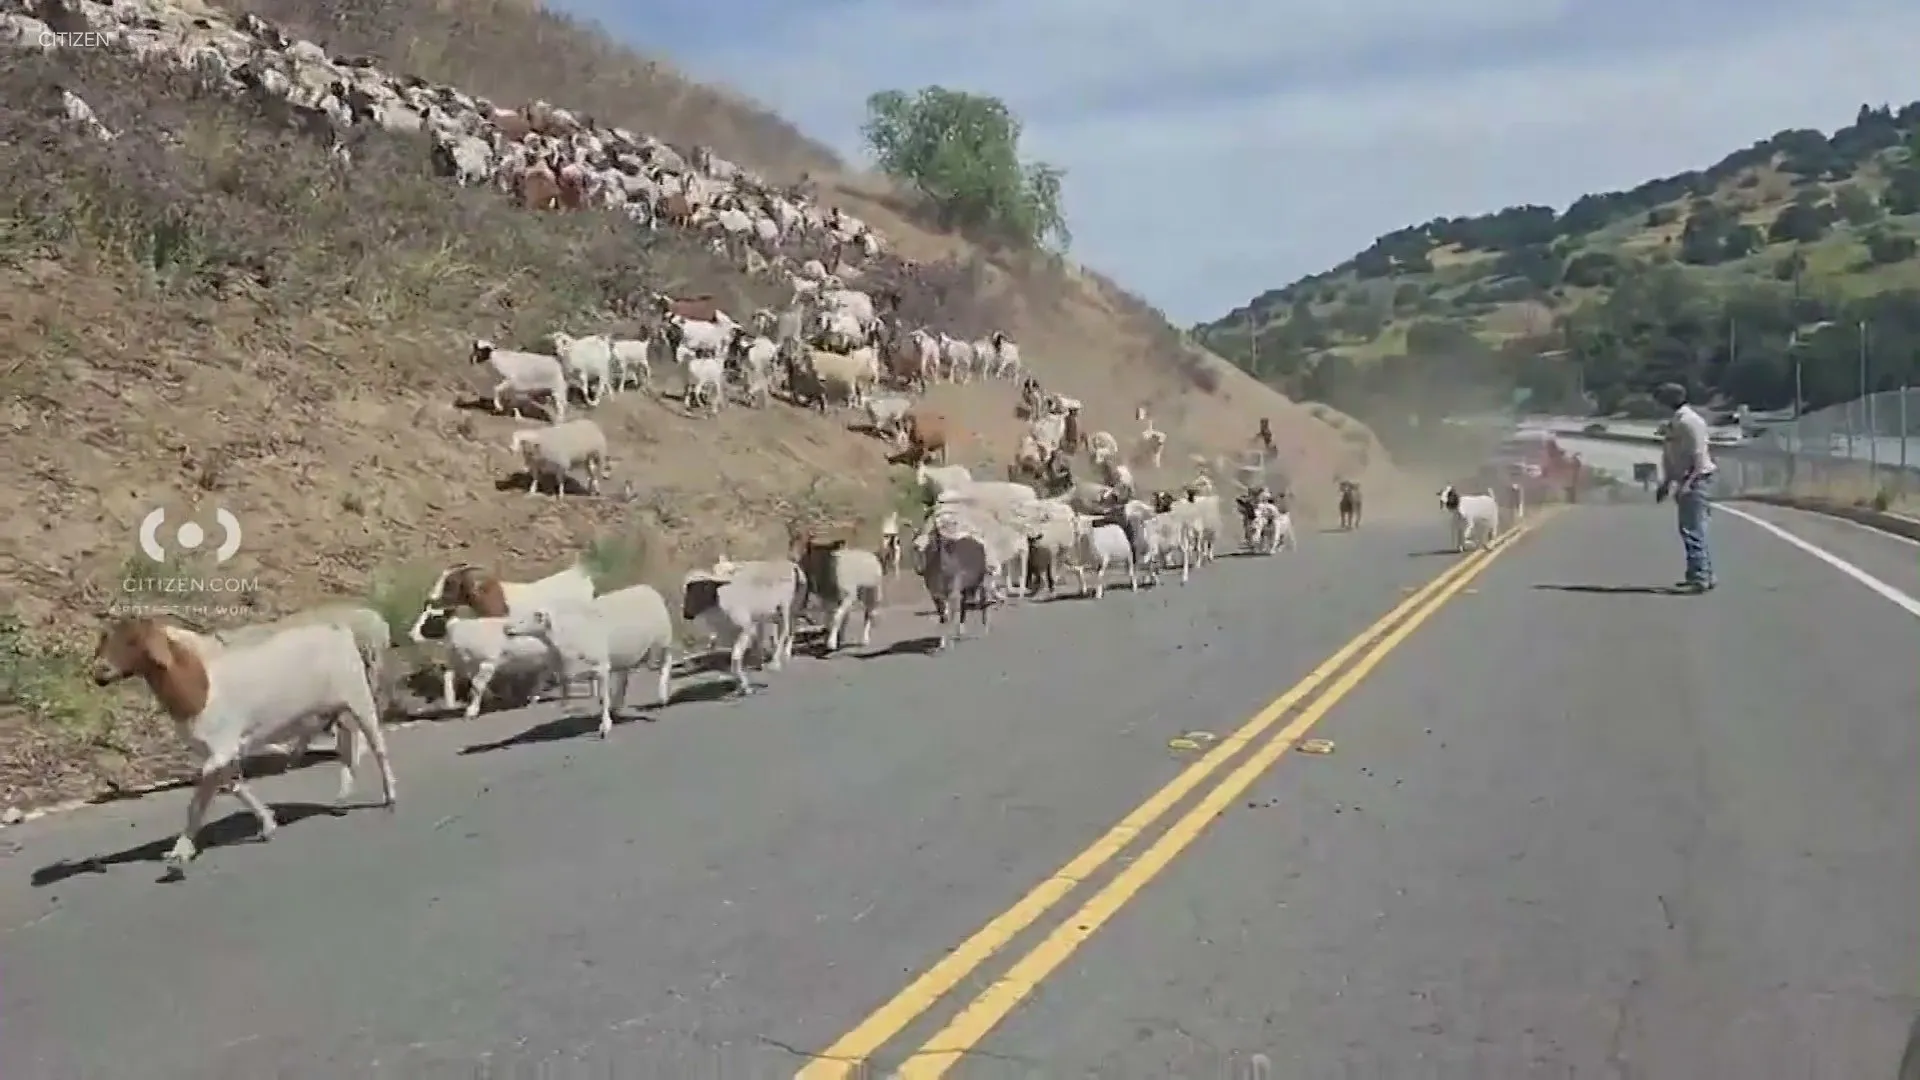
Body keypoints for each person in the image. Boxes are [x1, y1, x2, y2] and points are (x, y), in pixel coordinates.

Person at [1653, 382, 1717, 593]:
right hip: (1686, 479)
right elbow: (1674, 456)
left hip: (1695, 480)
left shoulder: (1690, 422)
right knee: (1694, 528)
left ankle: (1700, 577)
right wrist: (1667, 482)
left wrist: (1687, 484)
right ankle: (1702, 572)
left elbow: (1697, 456)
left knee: (1693, 529)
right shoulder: (1676, 422)